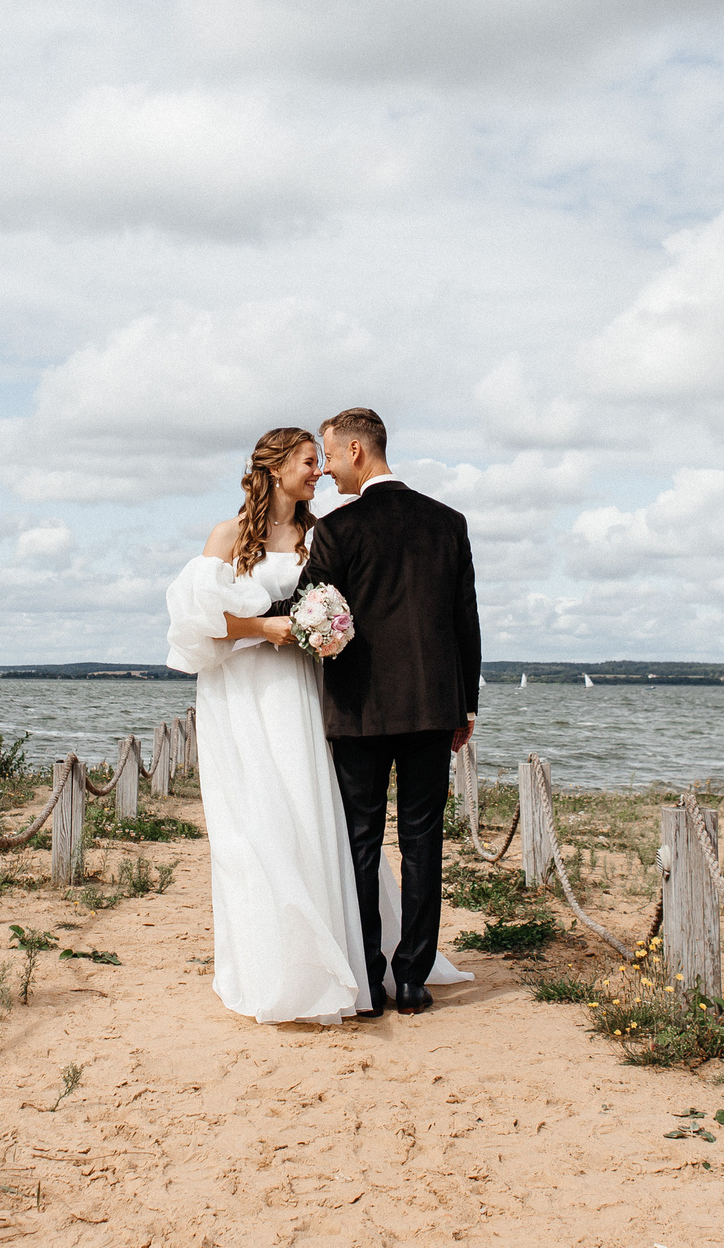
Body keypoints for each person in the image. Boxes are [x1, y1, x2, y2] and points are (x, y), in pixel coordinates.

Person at [163, 425, 470, 1023]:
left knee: (317, 822)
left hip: (305, 693)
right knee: (256, 830)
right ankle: (274, 963)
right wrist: (265, 630)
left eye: (322, 460)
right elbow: (197, 621)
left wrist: (317, 634)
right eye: (309, 462)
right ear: (276, 470)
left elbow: (350, 606)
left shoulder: (320, 534)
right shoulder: (228, 536)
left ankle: (347, 961)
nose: (320, 472)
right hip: (246, 695)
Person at [278, 407, 481, 1015]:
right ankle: (413, 979)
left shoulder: (340, 529)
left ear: (358, 452)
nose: (329, 468)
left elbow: (304, 607)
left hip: (360, 711)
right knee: (424, 843)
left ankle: (368, 977)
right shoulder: (449, 522)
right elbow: (465, 622)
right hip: (431, 707)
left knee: (360, 844)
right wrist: (464, 705)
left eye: (332, 456)